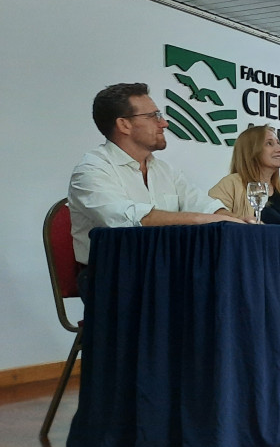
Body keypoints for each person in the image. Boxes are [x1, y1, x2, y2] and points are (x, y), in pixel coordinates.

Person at [68, 83, 246, 296]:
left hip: (167, 271)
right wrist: (203, 220)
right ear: (124, 125)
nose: (165, 123)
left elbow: (204, 205)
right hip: (113, 278)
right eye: (153, 116)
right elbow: (127, 220)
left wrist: (237, 221)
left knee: (234, 285)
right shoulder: (91, 170)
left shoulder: (165, 170)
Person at [209, 125, 280, 225]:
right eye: (269, 143)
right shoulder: (232, 183)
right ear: (251, 150)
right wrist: (241, 220)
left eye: (278, 143)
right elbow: (209, 215)